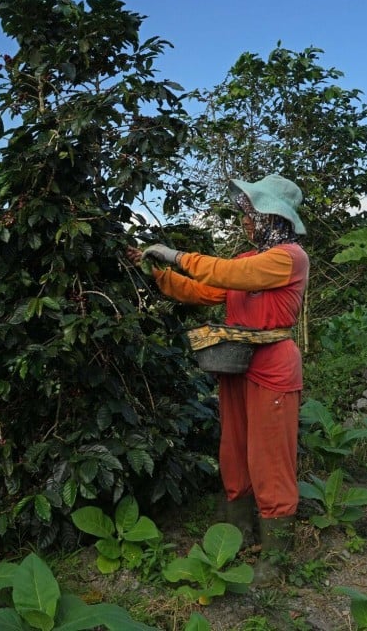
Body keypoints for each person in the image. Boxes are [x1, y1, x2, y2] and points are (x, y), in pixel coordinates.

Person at [127, 174, 308, 586]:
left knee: (270, 457)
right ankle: (238, 528)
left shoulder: (289, 257)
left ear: (273, 218)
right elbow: (201, 290)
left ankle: (276, 551)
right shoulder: (247, 259)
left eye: (251, 214)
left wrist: (175, 254)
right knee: (235, 447)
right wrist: (154, 272)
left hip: (273, 366)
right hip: (236, 363)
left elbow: (224, 274)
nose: (246, 222)